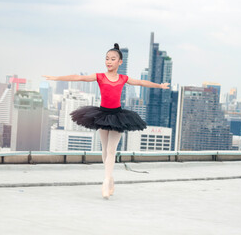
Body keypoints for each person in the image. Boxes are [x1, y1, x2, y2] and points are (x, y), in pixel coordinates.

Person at [42, 43, 170, 199]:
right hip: (102, 115)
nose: (109, 62)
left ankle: (105, 182)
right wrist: (56, 78)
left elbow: (142, 83)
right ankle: (110, 178)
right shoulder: (100, 77)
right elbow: (79, 77)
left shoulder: (123, 78)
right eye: (107, 59)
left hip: (118, 117)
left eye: (113, 59)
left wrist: (160, 85)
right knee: (104, 151)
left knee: (111, 150)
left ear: (120, 62)